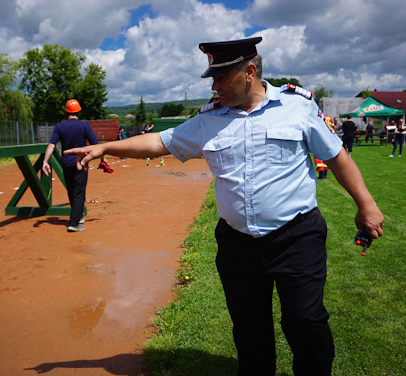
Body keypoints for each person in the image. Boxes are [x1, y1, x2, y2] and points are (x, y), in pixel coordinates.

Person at [64, 37, 384, 376]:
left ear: (249, 72)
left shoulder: (297, 108)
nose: (214, 87)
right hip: (237, 244)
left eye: (220, 78)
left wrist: (367, 205)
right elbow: (159, 142)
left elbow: (336, 156)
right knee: (249, 328)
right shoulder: (208, 121)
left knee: (305, 321)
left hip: (296, 237)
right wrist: (106, 148)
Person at [42, 99, 105, 232]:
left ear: (67, 112)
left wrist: (45, 161)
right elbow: (96, 145)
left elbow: (51, 145)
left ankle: (79, 215)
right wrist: (103, 158)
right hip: (80, 163)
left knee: (71, 190)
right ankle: (74, 223)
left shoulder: (59, 127)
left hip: (65, 163)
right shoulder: (84, 126)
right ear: (79, 111)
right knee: (79, 192)